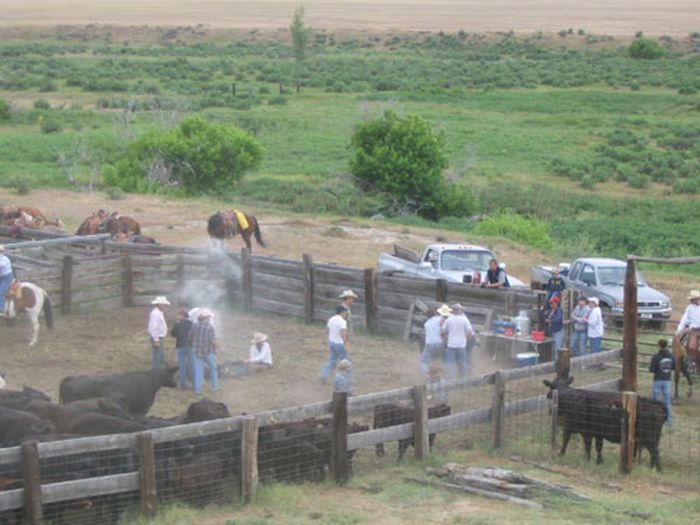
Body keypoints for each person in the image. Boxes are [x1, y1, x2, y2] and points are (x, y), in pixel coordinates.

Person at [190, 309, 220, 395]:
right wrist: (219, 347)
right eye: (210, 317)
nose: (210, 319)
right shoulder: (210, 327)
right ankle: (214, 387)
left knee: (198, 371)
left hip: (197, 351)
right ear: (206, 318)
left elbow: (190, 336)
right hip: (208, 352)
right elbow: (212, 340)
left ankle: (198, 390)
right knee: (213, 369)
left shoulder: (194, 325)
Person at [442, 303, 475, 379]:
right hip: (461, 345)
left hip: (451, 344)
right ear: (459, 310)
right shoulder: (464, 320)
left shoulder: (449, 320)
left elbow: (443, 331)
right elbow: (469, 332)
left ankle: (451, 378)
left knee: (450, 362)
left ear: (453, 311)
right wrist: (465, 339)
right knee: (462, 362)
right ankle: (465, 378)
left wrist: (446, 338)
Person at [320, 305, 350, 382]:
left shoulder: (331, 319)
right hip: (339, 344)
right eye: (345, 312)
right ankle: (346, 378)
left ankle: (324, 375)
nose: (346, 314)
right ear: (342, 312)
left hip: (332, 342)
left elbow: (327, 331)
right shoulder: (342, 321)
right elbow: (343, 334)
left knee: (332, 361)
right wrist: (346, 343)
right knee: (345, 361)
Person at [649, 339, 674, 427]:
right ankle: (669, 420)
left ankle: (653, 419)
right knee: (667, 400)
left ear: (659, 345)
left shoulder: (656, 356)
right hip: (667, 379)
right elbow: (673, 367)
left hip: (658, 379)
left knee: (655, 400)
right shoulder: (671, 355)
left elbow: (651, 369)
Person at [420, 304, 451, 375]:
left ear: (427, 316)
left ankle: (426, 376)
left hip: (430, 344)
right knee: (444, 359)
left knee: (424, 361)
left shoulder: (426, 324)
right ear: (434, 313)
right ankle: (447, 374)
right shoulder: (440, 319)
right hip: (439, 343)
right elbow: (444, 329)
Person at [171, 308, 194, 389]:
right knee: (191, 365)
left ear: (181, 315)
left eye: (178, 315)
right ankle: (194, 385)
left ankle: (183, 385)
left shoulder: (177, 324)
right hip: (190, 346)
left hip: (180, 346)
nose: (177, 316)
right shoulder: (191, 323)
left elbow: (173, 334)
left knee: (182, 366)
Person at [147, 296, 171, 369]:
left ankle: (163, 367)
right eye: (164, 305)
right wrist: (156, 339)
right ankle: (154, 370)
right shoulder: (155, 314)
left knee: (160, 354)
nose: (165, 306)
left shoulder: (158, 313)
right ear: (159, 305)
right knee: (157, 356)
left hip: (159, 337)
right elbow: (153, 327)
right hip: (158, 337)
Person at [676, 290, 700, 354]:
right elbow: (684, 319)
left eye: (692, 299)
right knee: (691, 347)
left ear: (696, 299)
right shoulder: (690, 308)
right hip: (694, 330)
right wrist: (680, 329)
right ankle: (691, 361)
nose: (690, 301)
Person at [546, 296, 564, 360]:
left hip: (558, 331)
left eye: (553, 303)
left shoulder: (559, 310)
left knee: (558, 347)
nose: (551, 305)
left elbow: (558, 319)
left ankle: (558, 361)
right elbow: (547, 316)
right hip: (553, 330)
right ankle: (553, 361)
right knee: (553, 347)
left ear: (556, 303)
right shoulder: (551, 310)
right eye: (551, 303)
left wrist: (551, 321)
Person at [0, 245, 14, 317]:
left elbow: (2, 265)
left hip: (7, 277)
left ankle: (1, 310)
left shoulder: (4, 259)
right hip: (2, 277)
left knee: (0, 292)